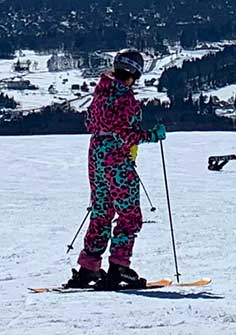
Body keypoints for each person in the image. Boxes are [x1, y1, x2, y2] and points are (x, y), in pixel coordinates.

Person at [62, 49, 164, 291]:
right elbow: (127, 134)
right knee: (129, 215)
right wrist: (152, 135)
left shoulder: (99, 94)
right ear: (135, 74)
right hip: (117, 159)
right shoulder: (126, 99)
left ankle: (89, 267)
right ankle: (118, 267)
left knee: (101, 211)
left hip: (96, 155)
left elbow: (90, 123)